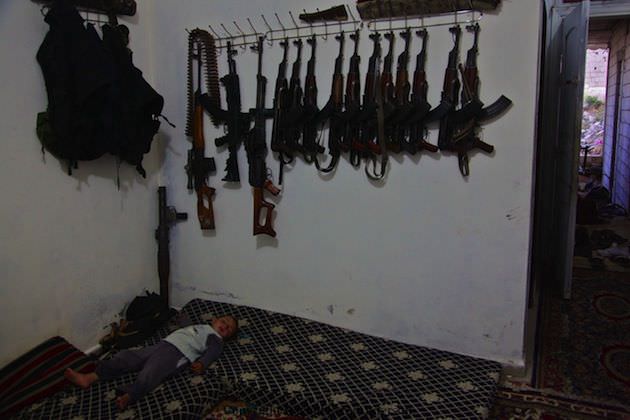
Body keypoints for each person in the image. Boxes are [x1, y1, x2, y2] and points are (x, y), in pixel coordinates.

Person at [64, 314, 238, 410]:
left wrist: (202, 363)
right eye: (224, 321)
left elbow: (212, 353)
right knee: (127, 356)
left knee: (152, 372)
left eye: (229, 328)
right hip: (163, 345)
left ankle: (131, 395)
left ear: (227, 336)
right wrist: (182, 318)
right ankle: (90, 377)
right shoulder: (201, 327)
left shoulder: (216, 340)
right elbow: (187, 327)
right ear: (214, 320)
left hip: (178, 354)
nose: (225, 326)